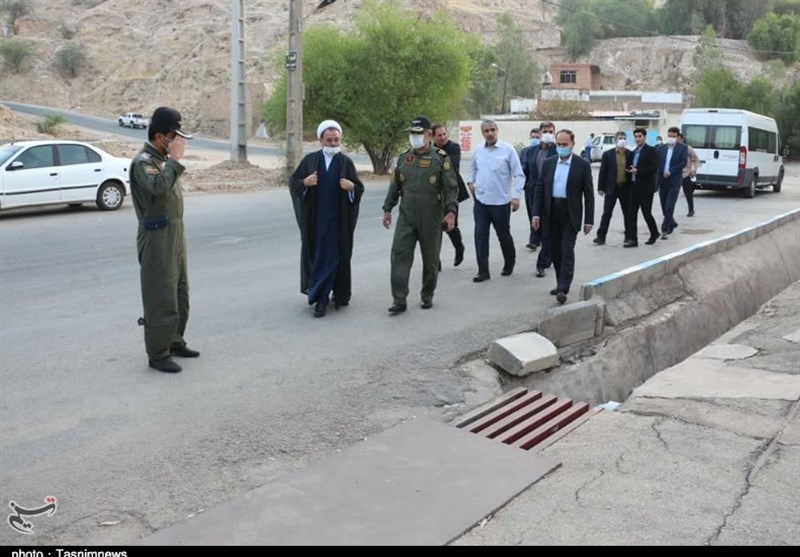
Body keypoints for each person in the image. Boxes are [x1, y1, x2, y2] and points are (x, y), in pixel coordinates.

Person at [130, 107, 198, 373]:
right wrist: (175, 161)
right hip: (157, 238)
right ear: (160, 137)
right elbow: (158, 188)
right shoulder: (144, 162)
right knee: (160, 295)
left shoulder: (163, 161)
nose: (178, 142)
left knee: (179, 292)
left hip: (175, 234)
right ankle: (158, 353)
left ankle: (174, 341)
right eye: (174, 137)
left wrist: (172, 161)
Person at [382, 116, 458, 314]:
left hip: (431, 217)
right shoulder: (404, 158)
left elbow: (451, 188)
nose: (414, 138)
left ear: (429, 135)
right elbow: (394, 185)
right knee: (399, 255)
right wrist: (388, 209)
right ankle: (399, 299)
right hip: (406, 216)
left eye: (418, 134)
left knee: (430, 259)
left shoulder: (440, 158)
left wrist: (451, 212)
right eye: (411, 134)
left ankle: (427, 294)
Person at [289, 119, 364, 318]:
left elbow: (358, 188)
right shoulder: (310, 161)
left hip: (339, 223)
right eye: (329, 140)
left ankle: (328, 296)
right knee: (320, 258)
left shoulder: (346, 163)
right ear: (321, 140)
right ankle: (321, 297)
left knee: (335, 258)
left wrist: (351, 188)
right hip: (317, 222)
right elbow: (294, 182)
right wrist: (305, 183)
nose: (333, 144)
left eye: (336, 140)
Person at [531, 129, 594, 305]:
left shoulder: (582, 165)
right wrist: (536, 213)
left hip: (570, 213)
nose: (561, 147)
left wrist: (589, 220)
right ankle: (560, 282)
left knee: (566, 251)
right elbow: (539, 188)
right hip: (551, 211)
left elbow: (589, 195)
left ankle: (563, 288)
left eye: (565, 144)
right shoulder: (549, 163)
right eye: (558, 144)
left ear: (573, 144)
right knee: (555, 251)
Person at [468, 119, 525, 283]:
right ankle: (483, 271)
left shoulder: (508, 150)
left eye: (492, 130)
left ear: (497, 130)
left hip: (500, 203)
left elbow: (519, 174)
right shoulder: (478, 150)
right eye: (486, 131)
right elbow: (472, 169)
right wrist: (471, 183)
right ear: (482, 133)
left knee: (503, 235)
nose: (490, 133)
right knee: (480, 236)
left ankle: (509, 262)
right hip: (481, 202)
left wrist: (516, 196)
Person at [432, 123, 469, 266]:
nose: (442, 137)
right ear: (433, 137)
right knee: (434, 228)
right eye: (439, 135)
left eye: (444, 134)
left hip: (451, 191)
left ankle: (459, 247)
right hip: (434, 193)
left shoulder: (453, 148)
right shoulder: (430, 149)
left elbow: (451, 167)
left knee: (450, 225)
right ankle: (435, 260)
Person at [526, 121, 558, 277]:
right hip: (533, 191)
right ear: (539, 133)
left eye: (551, 132)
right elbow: (526, 169)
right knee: (535, 222)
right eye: (545, 131)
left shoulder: (558, 150)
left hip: (551, 194)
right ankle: (541, 246)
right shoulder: (532, 151)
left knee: (547, 230)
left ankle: (543, 262)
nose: (548, 134)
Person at [594, 131, 634, 247]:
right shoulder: (608, 154)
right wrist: (600, 187)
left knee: (627, 213)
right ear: (615, 140)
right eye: (620, 138)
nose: (622, 140)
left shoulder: (630, 154)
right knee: (607, 213)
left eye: (624, 138)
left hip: (625, 188)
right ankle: (601, 237)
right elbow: (603, 172)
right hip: (611, 188)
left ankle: (628, 236)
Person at [625, 127, 660, 245]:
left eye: (640, 136)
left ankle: (654, 233)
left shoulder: (651, 151)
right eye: (635, 137)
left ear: (644, 137)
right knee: (631, 214)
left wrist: (638, 171)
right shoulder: (634, 152)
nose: (637, 139)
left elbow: (654, 168)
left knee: (646, 213)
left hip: (646, 189)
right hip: (634, 187)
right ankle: (632, 239)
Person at [657, 126, 688, 239]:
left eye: (673, 136)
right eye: (669, 136)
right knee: (663, 204)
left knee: (670, 205)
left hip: (674, 180)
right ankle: (672, 222)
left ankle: (665, 229)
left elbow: (683, 162)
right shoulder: (661, 148)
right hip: (662, 181)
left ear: (678, 137)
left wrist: (671, 171)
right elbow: (657, 163)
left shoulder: (682, 148)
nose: (671, 138)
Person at [519, 127, 541, 251]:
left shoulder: (544, 151)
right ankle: (534, 239)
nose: (534, 140)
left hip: (542, 187)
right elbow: (521, 168)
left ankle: (536, 238)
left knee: (540, 214)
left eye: (537, 137)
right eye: (532, 137)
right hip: (529, 187)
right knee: (532, 213)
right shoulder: (525, 151)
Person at [677, 131, 699, 217]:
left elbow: (695, 159)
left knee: (688, 193)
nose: (676, 140)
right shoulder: (672, 148)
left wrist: (694, 169)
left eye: (678, 139)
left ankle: (691, 209)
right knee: (672, 193)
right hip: (675, 173)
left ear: (682, 139)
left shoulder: (687, 148)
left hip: (685, 174)